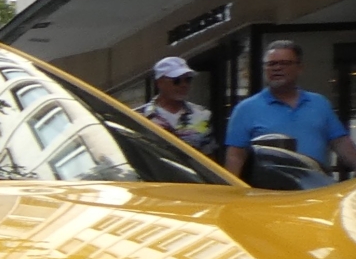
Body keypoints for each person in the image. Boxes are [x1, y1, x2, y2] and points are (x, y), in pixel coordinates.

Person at [224, 40, 355, 178]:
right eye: (271, 64)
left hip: (318, 190)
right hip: (270, 192)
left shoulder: (319, 103)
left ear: (300, 67)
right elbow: (235, 156)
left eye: (284, 63)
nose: (277, 68)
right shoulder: (246, 109)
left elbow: (341, 143)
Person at [137, 55, 212, 151]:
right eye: (177, 81)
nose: (184, 85)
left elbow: (210, 155)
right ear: (159, 82)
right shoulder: (139, 117)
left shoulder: (203, 114)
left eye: (188, 80)